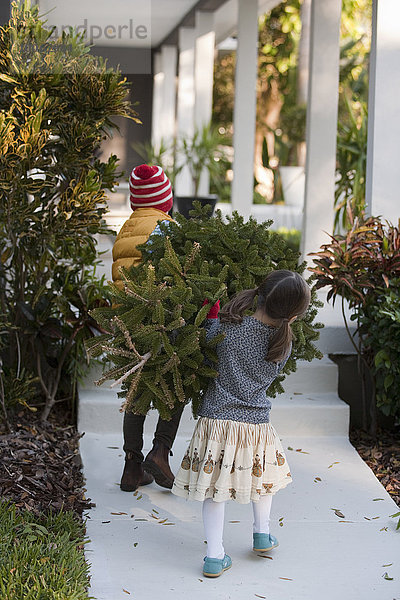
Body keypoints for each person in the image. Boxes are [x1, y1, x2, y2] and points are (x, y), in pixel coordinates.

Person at [172, 270, 311, 578]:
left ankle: (214, 556)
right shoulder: (282, 343)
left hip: (217, 423)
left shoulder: (228, 328)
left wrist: (211, 317)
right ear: (293, 315)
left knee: (213, 491)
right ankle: (262, 534)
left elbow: (208, 349)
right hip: (255, 427)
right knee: (263, 482)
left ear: (260, 295)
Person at [112, 163, 183, 492]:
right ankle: (160, 451)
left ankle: (131, 467)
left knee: (137, 394)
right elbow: (178, 277)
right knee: (175, 388)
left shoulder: (125, 229)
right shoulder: (166, 229)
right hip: (161, 324)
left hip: (128, 326)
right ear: (166, 200)